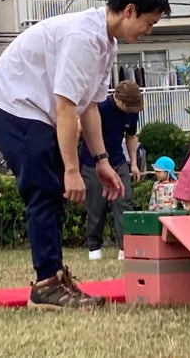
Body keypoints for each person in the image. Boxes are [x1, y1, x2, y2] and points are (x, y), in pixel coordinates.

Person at [0, 0, 170, 310]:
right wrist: (71, 169)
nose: (148, 31)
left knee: (51, 190)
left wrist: (101, 161)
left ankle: (53, 278)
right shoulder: (83, 37)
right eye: (149, 22)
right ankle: (46, 286)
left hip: (35, 111)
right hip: (11, 105)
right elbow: (66, 107)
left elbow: (90, 107)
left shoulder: (106, 44)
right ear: (129, 10)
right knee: (44, 188)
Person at [79, 80, 143, 261]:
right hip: (93, 162)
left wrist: (134, 163)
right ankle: (94, 247)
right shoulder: (100, 107)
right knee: (96, 205)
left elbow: (131, 136)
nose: (130, 110)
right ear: (118, 99)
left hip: (117, 161)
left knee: (124, 201)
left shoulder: (132, 112)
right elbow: (79, 129)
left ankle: (125, 247)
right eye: (128, 107)